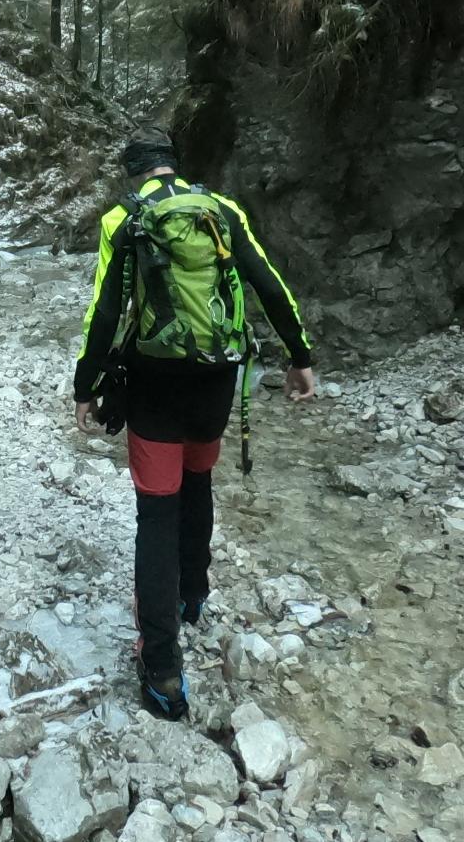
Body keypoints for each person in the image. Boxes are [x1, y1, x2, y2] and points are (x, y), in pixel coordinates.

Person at [73, 128, 316, 720]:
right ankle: (194, 595)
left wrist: (86, 385)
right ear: (175, 165)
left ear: (134, 172)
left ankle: (162, 671)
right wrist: (300, 356)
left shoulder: (122, 221)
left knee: (157, 511)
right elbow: (266, 280)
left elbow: (106, 308)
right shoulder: (222, 209)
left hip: (153, 382)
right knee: (198, 483)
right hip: (215, 380)